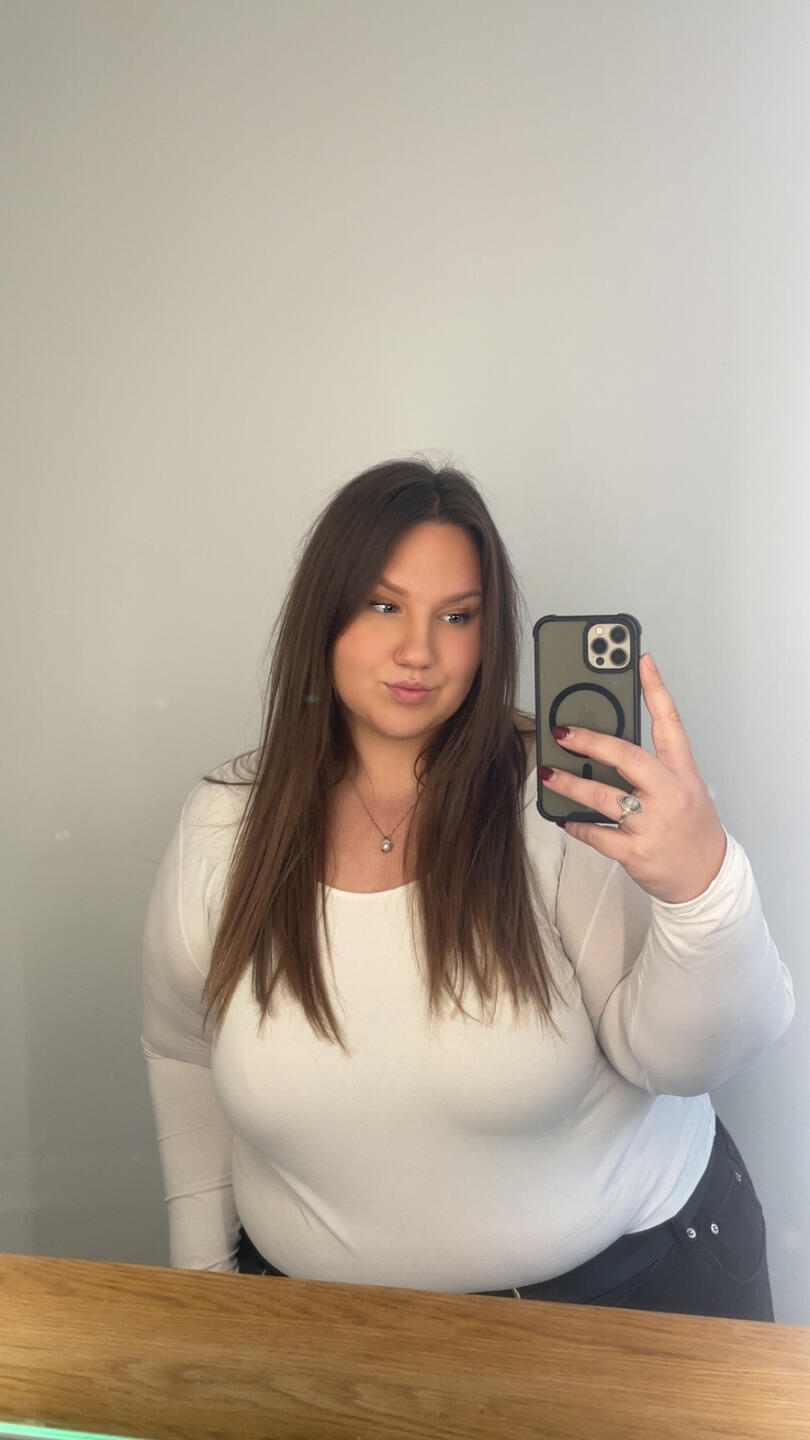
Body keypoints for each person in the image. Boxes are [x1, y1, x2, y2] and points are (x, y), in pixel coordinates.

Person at [141, 457, 794, 1321]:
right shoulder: (226, 824)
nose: (419, 650)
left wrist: (703, 886)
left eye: (457, 616)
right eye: (384, 606)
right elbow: (182, 1051)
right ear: (322, 614)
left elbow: (686, 1061)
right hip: (317, 1326)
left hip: (623, 1303)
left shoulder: (556, 805)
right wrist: (200, 1283)